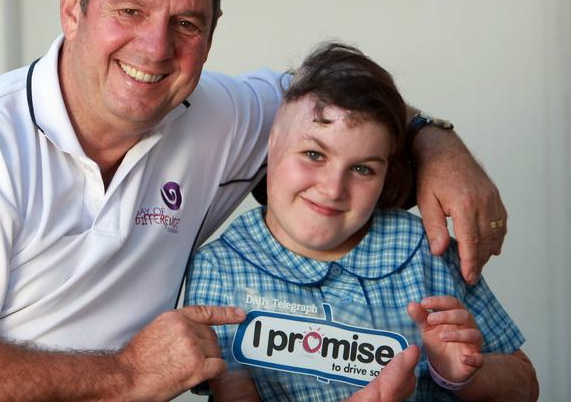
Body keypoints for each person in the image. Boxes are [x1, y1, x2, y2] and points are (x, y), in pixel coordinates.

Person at [0, 0, 507, 400]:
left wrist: (436, 141)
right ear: (72, 6)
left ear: (212, 30)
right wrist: (127, 372)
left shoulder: (224, 114)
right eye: (129, 11)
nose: (155, 49)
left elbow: (339, 108)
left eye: (186, 23)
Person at [184, 43, 538, 401]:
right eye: (313, 154)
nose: (333, 188)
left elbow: (526, 384)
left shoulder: (425, 252)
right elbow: (231, 391)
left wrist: (462, 376)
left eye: (362, 168)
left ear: (386, 173)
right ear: (272, 143)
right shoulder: (221, 267)